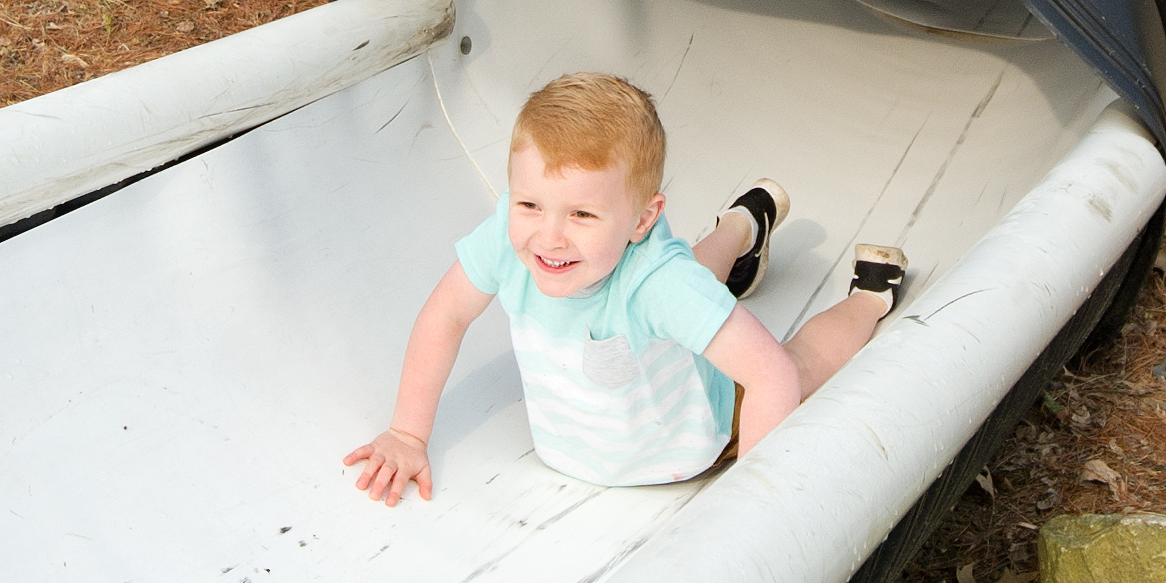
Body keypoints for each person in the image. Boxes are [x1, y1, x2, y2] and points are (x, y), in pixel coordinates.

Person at [343, 70, 909, 505]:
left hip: (700, 430)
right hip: (649, 304)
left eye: (582, 215)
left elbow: (772, 376)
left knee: (794, 361)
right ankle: (741, 225)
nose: (549, 236)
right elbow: (445, 316)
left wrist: (747, 504)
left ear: (643, 219)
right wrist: (406, 432)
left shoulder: (659, 283)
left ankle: (868, 298)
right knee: (684, 286)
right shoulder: (511, 238)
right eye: (529, 204)